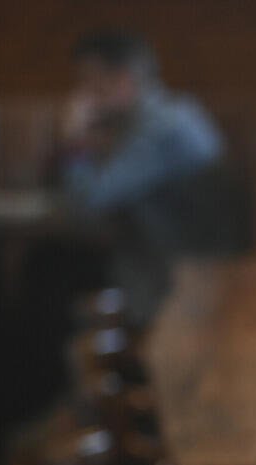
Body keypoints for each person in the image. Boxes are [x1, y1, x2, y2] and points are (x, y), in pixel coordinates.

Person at [55, 29, 229, 324]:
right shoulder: (160, 117)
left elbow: (87, 203)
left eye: (89, 83)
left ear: (122, 80)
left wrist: (73, 143)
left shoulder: (162, 129)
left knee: (48, 270)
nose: (81, 96)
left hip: (175, 275)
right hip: (161, 260)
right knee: (50, 262)